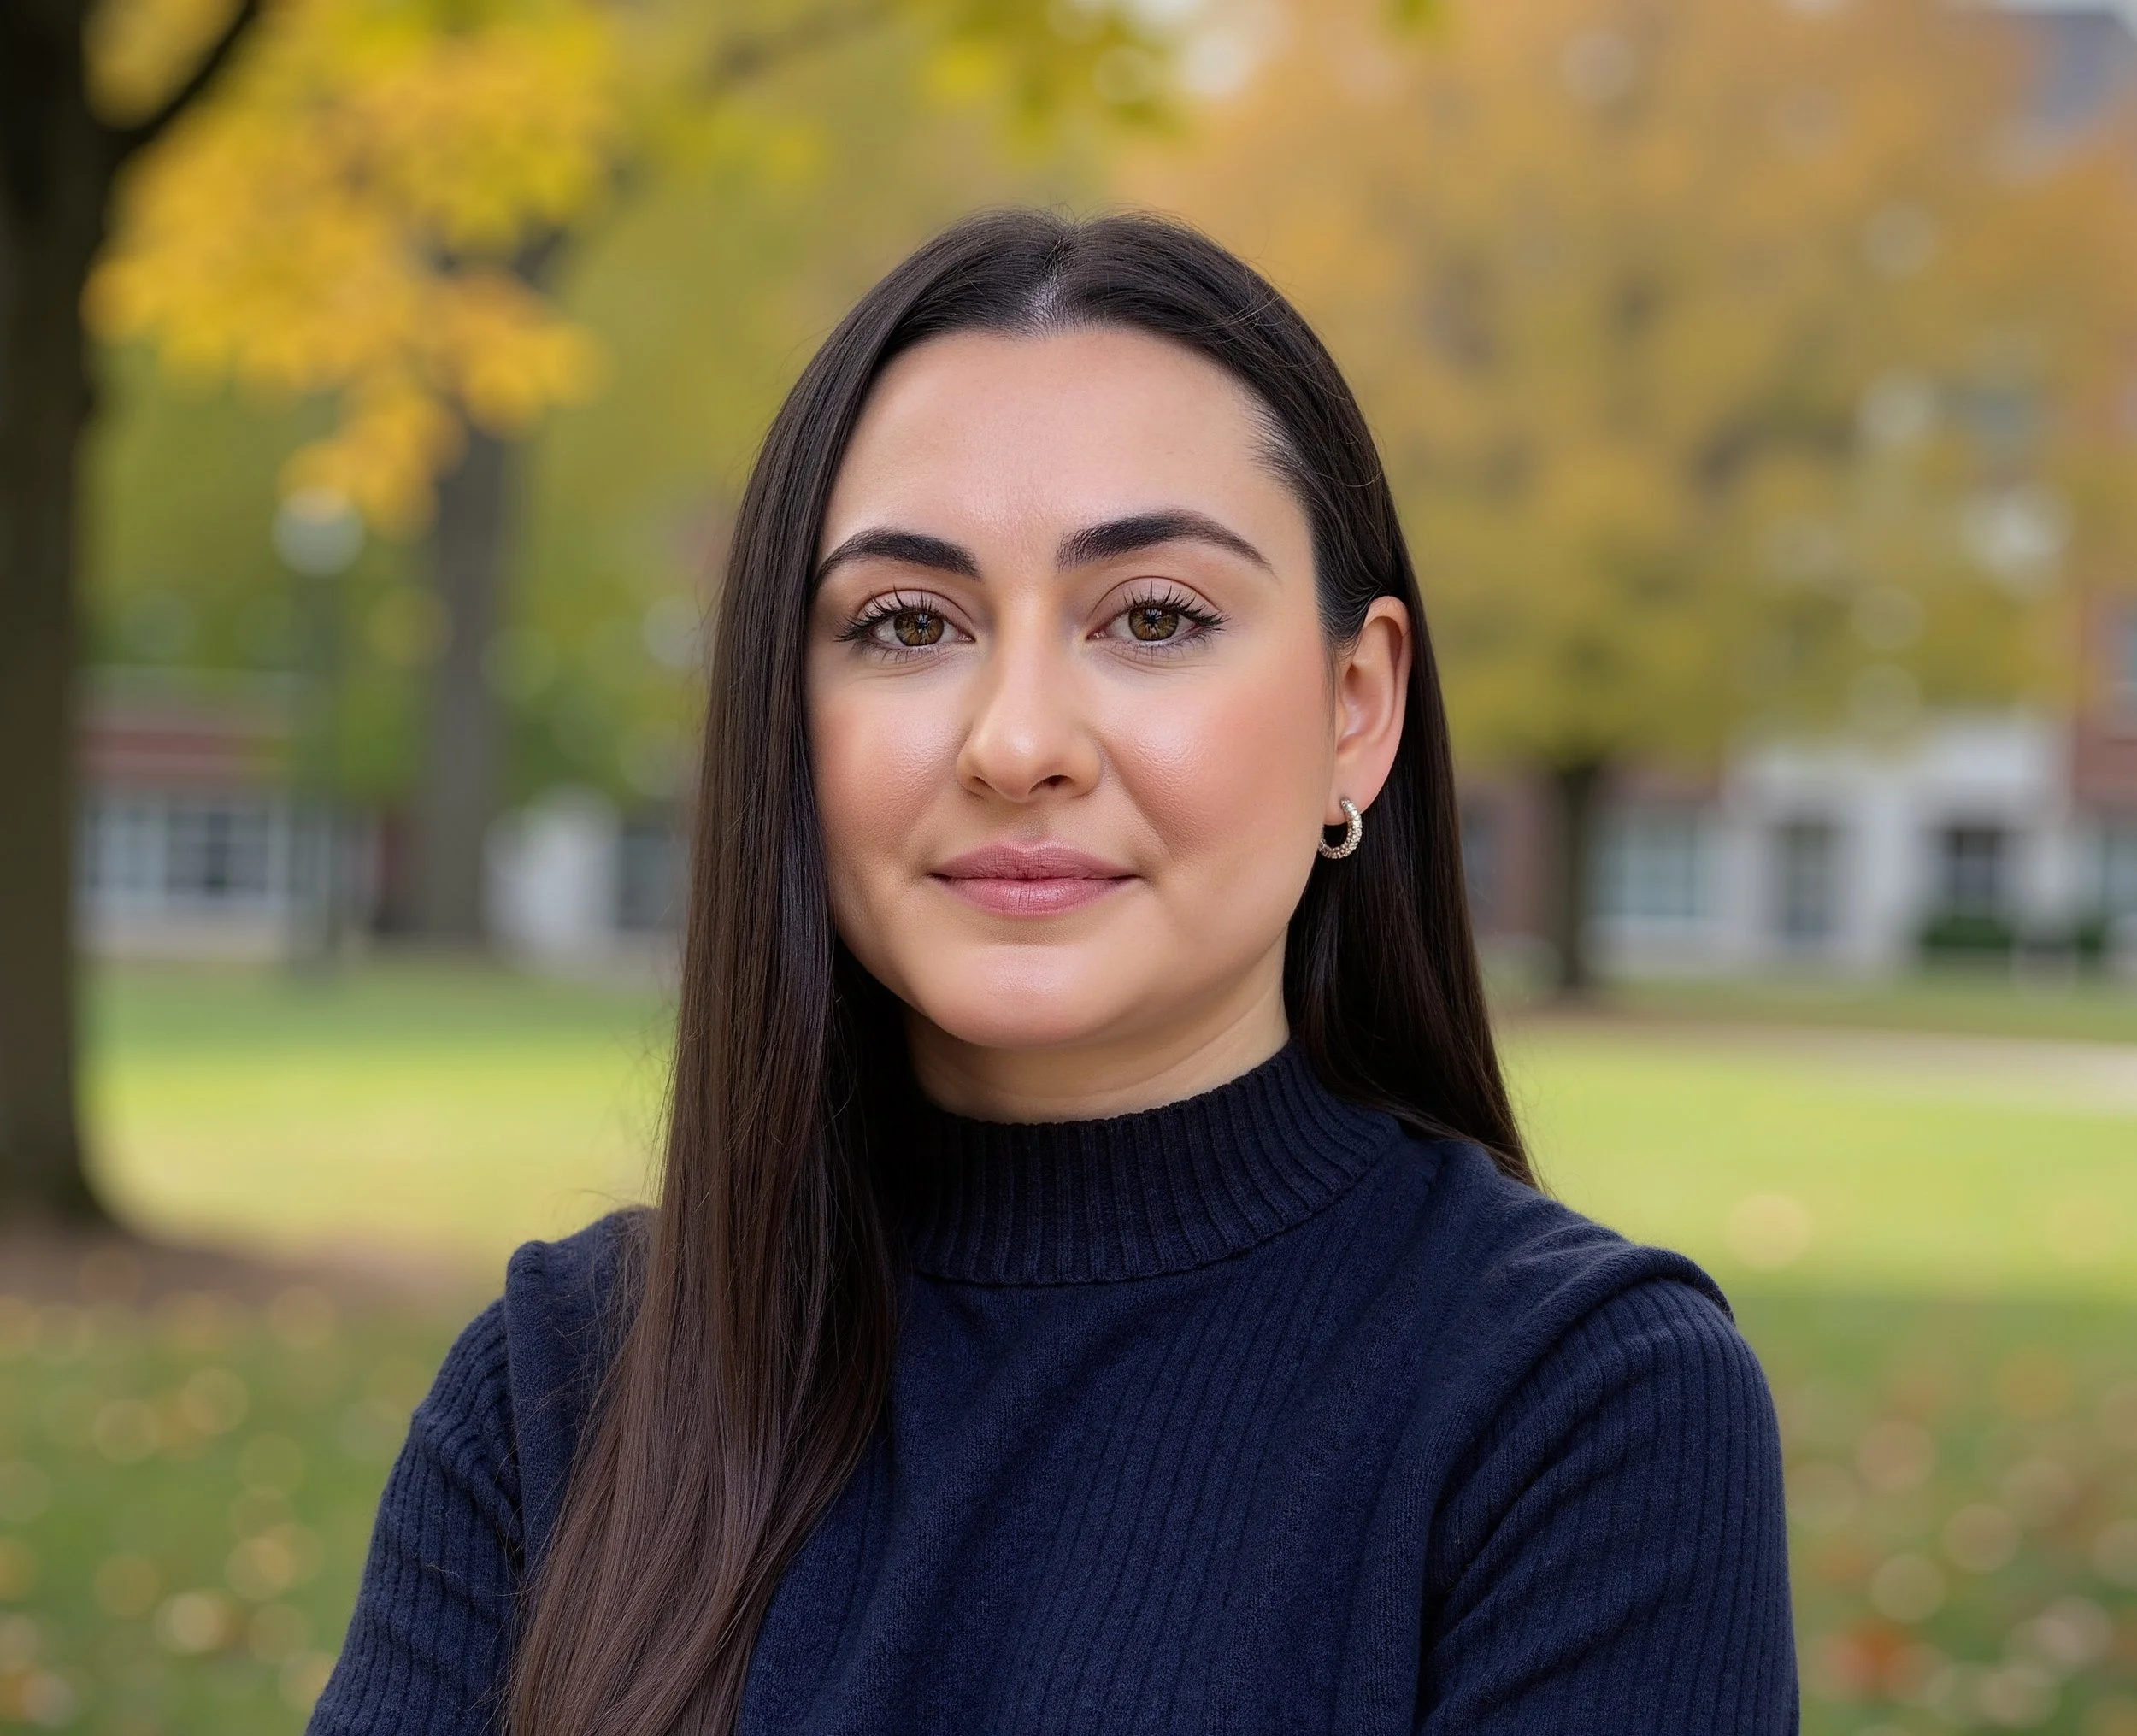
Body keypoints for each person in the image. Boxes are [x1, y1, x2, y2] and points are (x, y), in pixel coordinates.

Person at [309, 210, 1797, 1736]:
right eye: (906, 622)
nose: (1019, 742)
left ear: (1357, 707)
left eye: (1154, 616)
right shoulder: (563, 1388)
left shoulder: (1581, 1412)